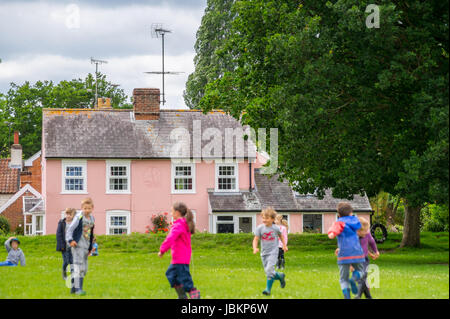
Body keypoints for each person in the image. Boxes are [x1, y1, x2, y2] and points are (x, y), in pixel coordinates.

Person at [159, 202, 200, 299]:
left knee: (185, 280)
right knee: (171, 275)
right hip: (178, 258)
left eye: (172, 211)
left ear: (177, 213)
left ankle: (195, 296)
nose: (171, 213)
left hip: (181, 258)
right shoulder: (183, 224)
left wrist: (162, 250)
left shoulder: (179, 225)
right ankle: (182, 296)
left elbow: (170, 238)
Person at [328, 202, 365, 299]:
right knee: (361, 271)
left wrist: (332, 234)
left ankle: (347, 296)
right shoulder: (355, 221)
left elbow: (335, 230)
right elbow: (359, 227)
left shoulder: (339, 222)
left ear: (339, 215)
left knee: (343, 279)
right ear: (351, 213)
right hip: (357, 252)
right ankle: (354, 278)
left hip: (344, 253)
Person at [253, 207, 288, 296]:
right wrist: (255, 248)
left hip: (273, 251)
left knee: (269, 270)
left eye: (267, 218)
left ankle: (267, 290)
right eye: (263, 218)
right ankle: (280, 276)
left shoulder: (275, 228)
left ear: (272, 219)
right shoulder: (260, 228)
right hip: (264, 253)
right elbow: (256, 239)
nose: (264, 220)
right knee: (269, 271)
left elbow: (281, 236)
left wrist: (284, 245)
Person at [66, 198, 95, 295]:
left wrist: (91, 247)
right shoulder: (79, 217)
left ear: (92, 208)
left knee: (84, 268)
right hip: (78, 245)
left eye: (89, 208)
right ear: (82, 208)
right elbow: (70, 229)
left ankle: (73, 289)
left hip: (86, 246)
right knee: (78, 266)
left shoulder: (92, 218)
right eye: (85, 208)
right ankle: (79, 289)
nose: (87, 210)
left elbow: (91, 233)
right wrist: (70, 240)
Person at [355, 217, 379, 299]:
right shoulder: (353, 237)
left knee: (363, 275)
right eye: (364, 231)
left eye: (367, 230)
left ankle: (358, 295)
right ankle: (368, 296)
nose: (366, 232)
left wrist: (376, 251)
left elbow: (371, 242)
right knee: (361, 278)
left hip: (364, 259)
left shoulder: (367, 234)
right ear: (357, 230)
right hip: (355, 260)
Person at [56, 208, 76, 280]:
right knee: (66, 261)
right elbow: (59, 234)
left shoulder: (74, 223)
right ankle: (64, 273)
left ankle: (73, 276)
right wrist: (61, 245)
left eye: (70, 214)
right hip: (64, 246)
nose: (68, 216)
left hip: (72, 245)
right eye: (67, 214)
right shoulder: (61, 223)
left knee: (72, 261)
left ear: (73, 216)